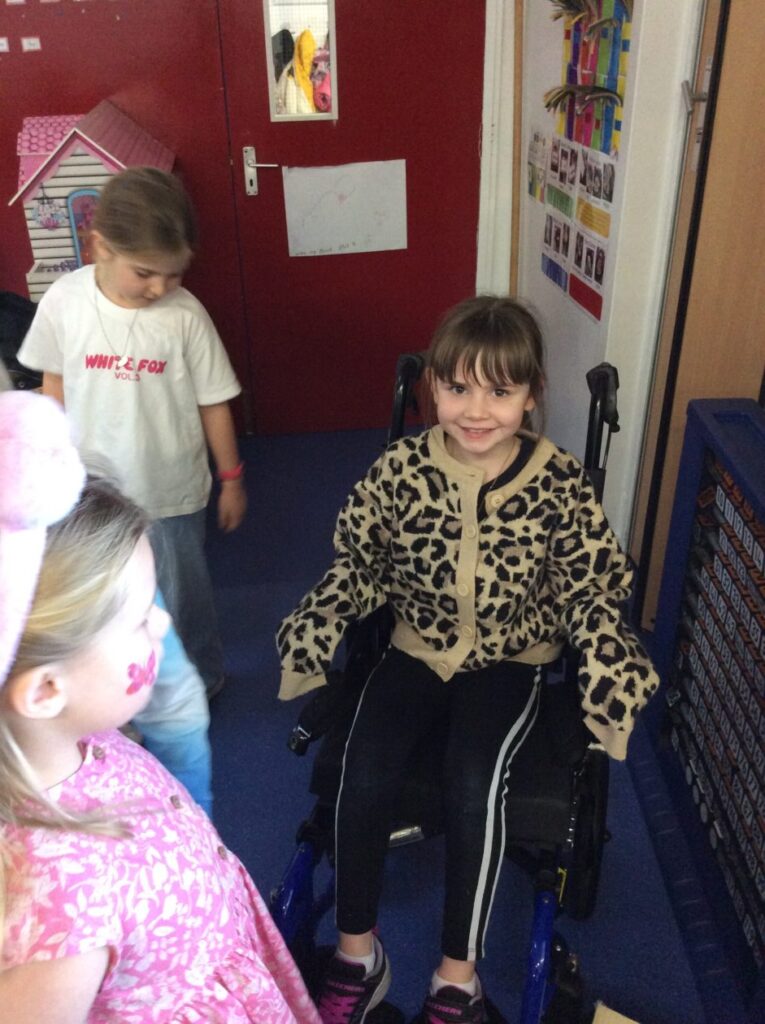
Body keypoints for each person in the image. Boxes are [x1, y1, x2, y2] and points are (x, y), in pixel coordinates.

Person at [276, 295, 659, 1024]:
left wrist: (610, 665)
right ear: (432, 388)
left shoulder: (557, 482)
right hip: (414, 647)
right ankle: (357, 956)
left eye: (499, 392)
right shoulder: (399, 469)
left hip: (511, 659)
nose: (476, 411)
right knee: (363, 764)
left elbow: (589, 587)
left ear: (531, 395)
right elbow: (359, 561)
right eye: (457, 388)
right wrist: (320, 620)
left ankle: (457, 977)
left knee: (473, 780)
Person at [0, 390, 320, 1024]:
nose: (162, 623)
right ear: (44, 691)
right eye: (140, 618)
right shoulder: (60, 894)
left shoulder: (87, 737)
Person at [17, 166, 246, 701]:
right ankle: (126, 689)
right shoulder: (64, 302)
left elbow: (213, 403)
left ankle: (202, 676)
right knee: (110, 600)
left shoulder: (185, 316)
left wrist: (232, 478)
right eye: (145, 272)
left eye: (174, 274)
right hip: (95, 490)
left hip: (172, 492)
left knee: (184, 594)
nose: (160, 287)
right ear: (100, 247)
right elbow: (54, 383)